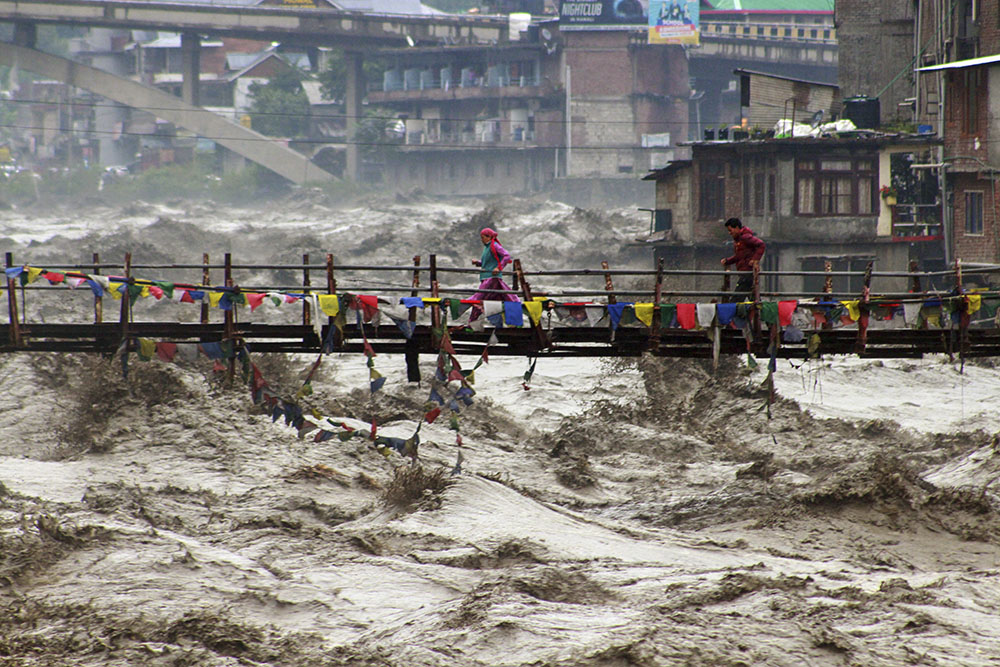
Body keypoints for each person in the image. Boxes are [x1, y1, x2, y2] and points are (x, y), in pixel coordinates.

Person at [470, 227, 520, 319]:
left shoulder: (495, 245)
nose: (482, 240)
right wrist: (478, 262)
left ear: (488, 237)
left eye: (483, 237)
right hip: (486, 277)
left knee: (478, 298)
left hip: (492, 277)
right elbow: (488, 262)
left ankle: (471, 321)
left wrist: (498, 267)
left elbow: (506, 256)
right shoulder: (487, 248)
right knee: (498, 298)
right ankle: (505, 322)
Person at [720, 217, 765, 301]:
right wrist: (728, 261)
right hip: (744, 272)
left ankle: (732, 312)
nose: (729, 233)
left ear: (737, 228)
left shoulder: (745, 237)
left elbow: (761, 245)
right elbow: (739, 256)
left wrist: (755, 260)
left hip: (747, 273)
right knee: (754, 299)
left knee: (736, 299)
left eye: (730, 230)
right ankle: (760, 312)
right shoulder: (738, 241)